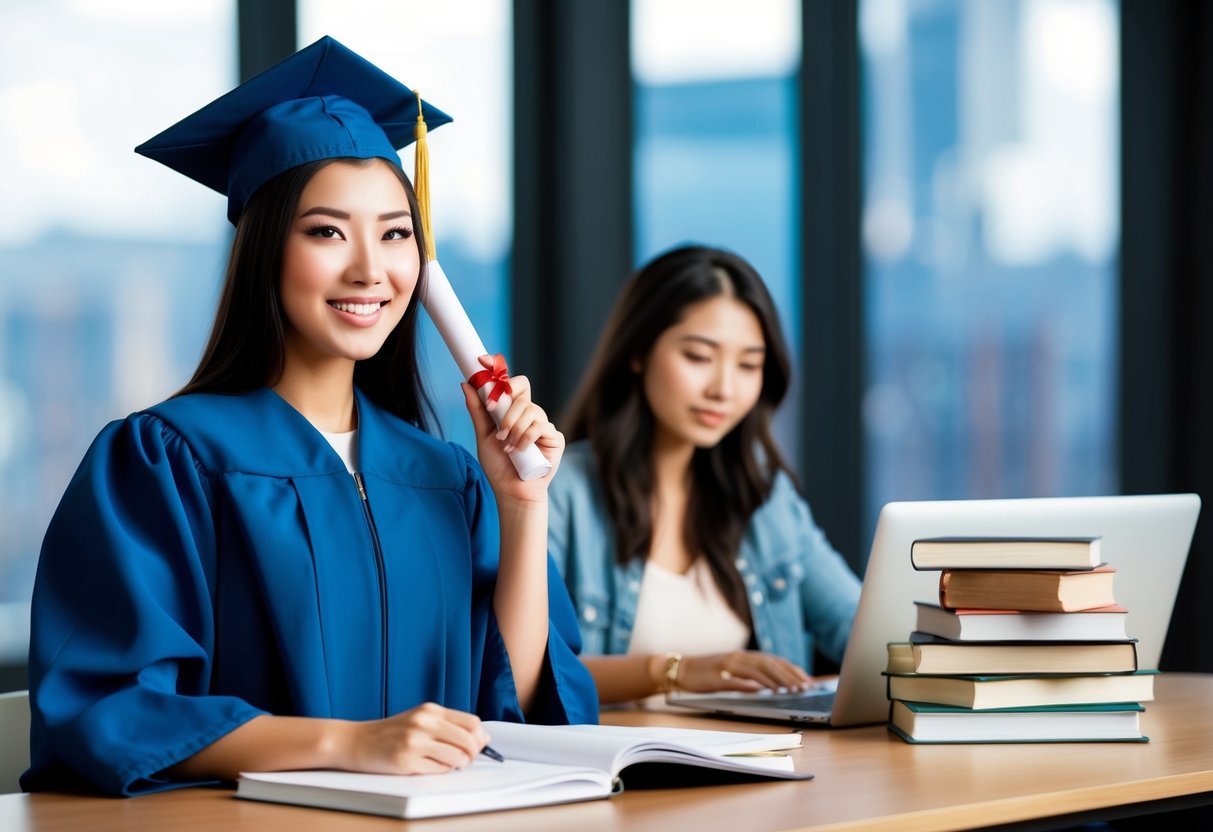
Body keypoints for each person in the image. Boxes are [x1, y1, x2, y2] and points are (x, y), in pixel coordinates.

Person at [22, 36, 597, 796]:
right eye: (327, 231)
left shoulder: (445, 477)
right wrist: (350, 745)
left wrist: (522, 506)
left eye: (395, 233)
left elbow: (511, 705)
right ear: (267, 251)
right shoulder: (167, 460)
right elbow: (114, 711)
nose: (369, 268)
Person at [547, 245, 861, 705]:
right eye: (698, 357)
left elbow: (859, 629)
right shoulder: (560, 490)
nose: (724, 389)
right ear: (637, 351)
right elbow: (530, 669)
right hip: (612, 767)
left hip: (752, 762)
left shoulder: (764, 496)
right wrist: (676, 671)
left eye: (749, 365)